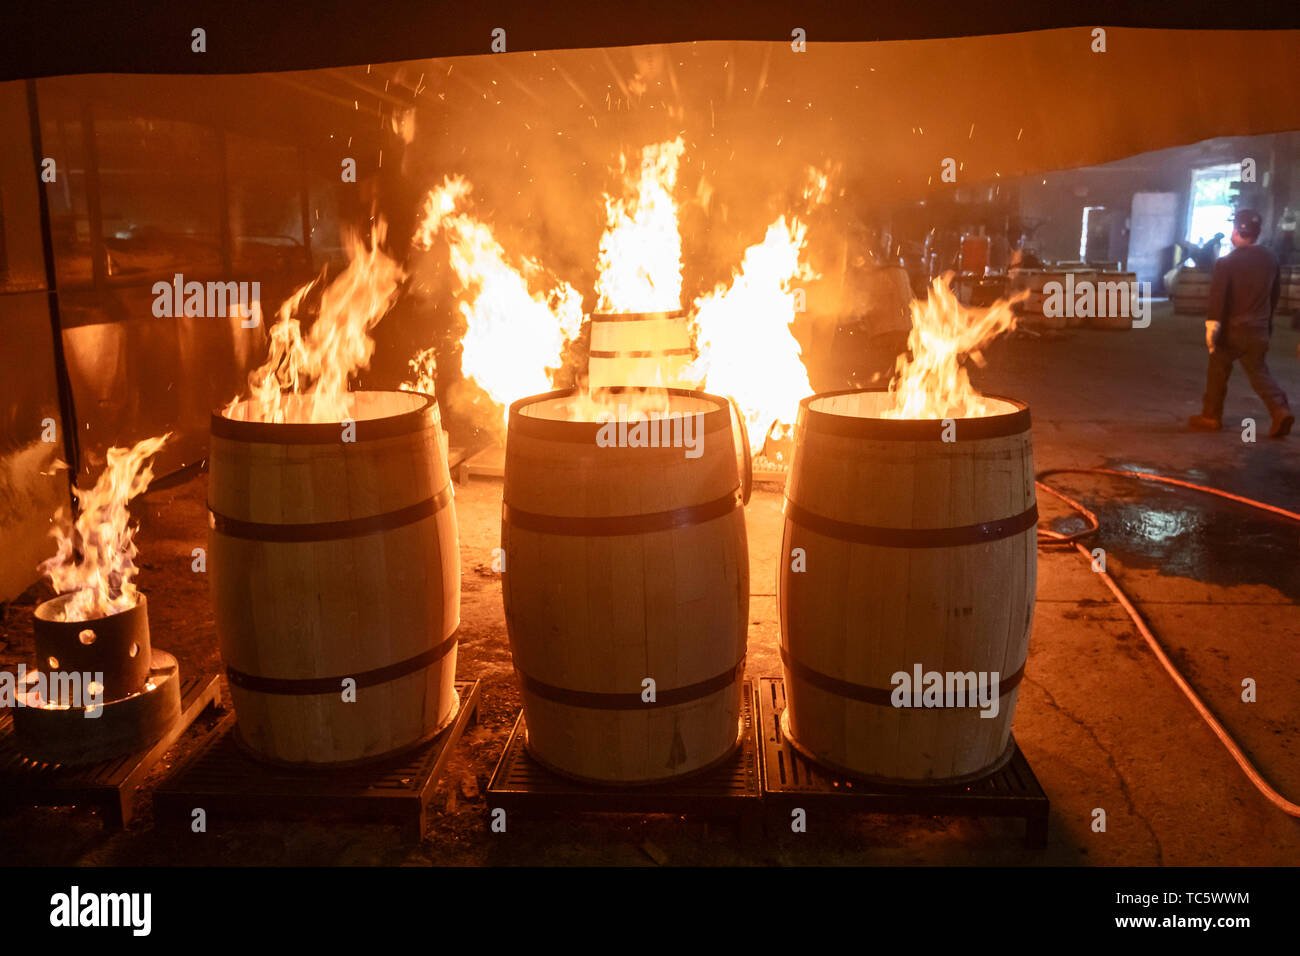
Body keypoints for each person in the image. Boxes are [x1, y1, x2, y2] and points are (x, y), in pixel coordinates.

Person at [1189, 210, 1293, 437]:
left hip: (1233, 331)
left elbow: (1218, 298)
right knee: (1258, 372)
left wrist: (1212, 328)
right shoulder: (1270, 259)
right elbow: (1274, 296)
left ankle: (1210, 416)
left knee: (1218, 366)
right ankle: (1280, 409)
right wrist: (1267, 325)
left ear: (1236, 231)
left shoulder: (1227, 262)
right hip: (1259, 329)